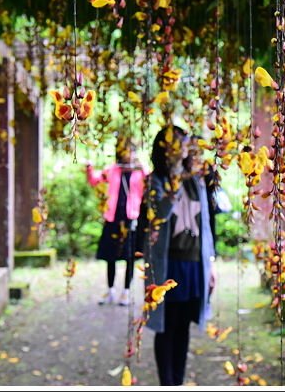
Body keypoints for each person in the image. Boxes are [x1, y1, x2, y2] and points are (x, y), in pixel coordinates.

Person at [145, 125, 217, 386]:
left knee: (184, 325)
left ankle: (178, 381)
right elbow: (159, 216)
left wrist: (211, 264)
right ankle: (167, 383)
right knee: (167, 326)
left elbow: (208, 226)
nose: (184, 149)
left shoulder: (196, 181)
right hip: (168, 266)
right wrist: (173, 184)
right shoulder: (155, 181)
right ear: (166, 149)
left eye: (185, 145)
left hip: (194, 265)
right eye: (178, 145)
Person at [86, 138, 144, 306]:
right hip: (113, 217)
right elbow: (95, 180)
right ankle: (110, 290)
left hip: (131, 218)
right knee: (110, 255)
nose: (128, 154)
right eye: (124, 151)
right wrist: (89, 168)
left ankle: (126, 291)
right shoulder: (113, 170)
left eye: (130, 150)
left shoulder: (141, 171)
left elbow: (152, 184)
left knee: (130, 256)